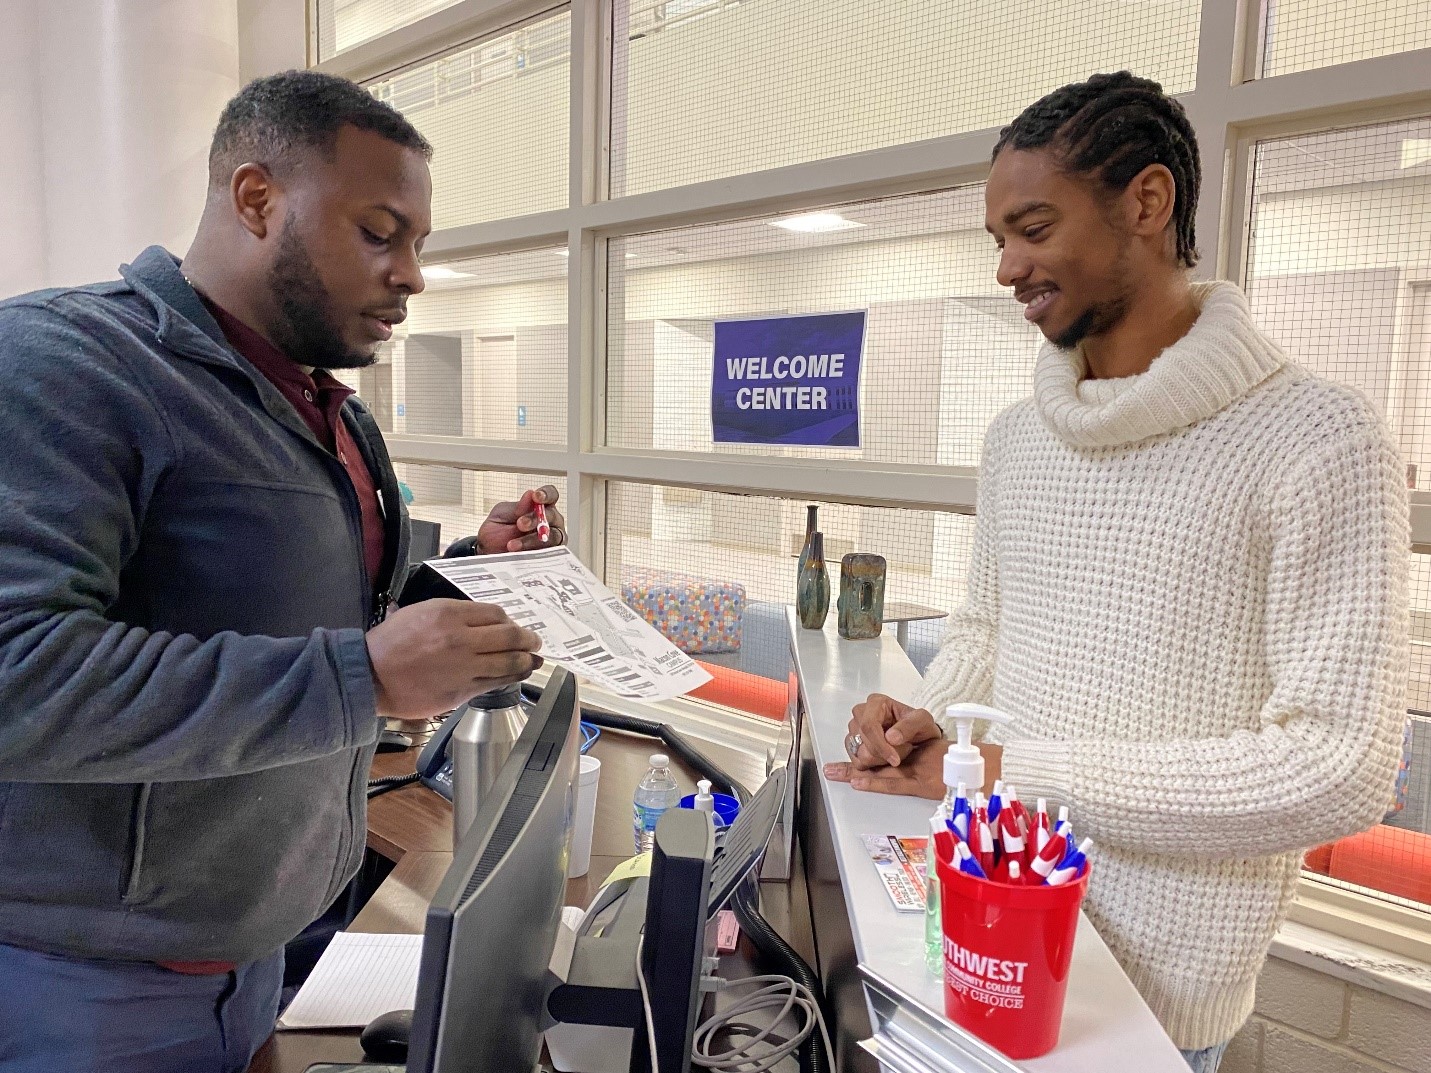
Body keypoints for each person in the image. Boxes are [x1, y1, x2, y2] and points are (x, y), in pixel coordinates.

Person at [824, 72, 1408, 1072]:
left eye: (1034, 227)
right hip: (978, 917)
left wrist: (1015, 772)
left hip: (1156, 984)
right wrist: (939, 724)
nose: (1007, 265)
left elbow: (1337, 765)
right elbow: (990, 630)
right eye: (997, 238)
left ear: (1146, 203)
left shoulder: (1320, 438)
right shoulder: (1019, 439)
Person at [0, 71, 567, 1073]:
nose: (412, 275)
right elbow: (19, 671)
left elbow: (328, 617)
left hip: (262, 941)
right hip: (88, 980)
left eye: (420, 245)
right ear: (257, 200)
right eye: (381, 232)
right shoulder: (63, 364)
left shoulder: (328, 408)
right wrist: (368, 678)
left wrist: (477, 573)